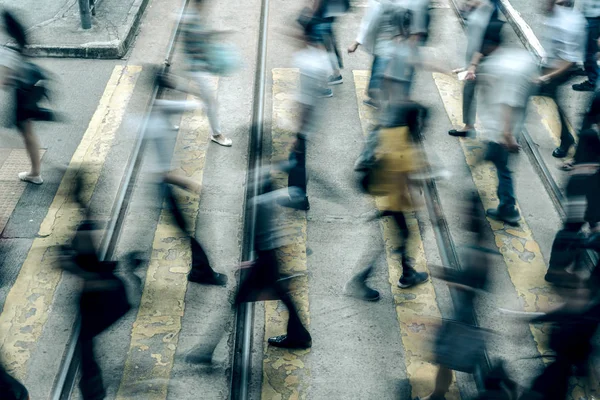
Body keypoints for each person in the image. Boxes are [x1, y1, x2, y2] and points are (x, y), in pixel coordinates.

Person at [236, 170, 312, 349]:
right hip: (271, 258)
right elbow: (296, 193)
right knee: (284, 296)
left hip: (265, 260)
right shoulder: (275, 198)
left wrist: (254, 262)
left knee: (238, 301)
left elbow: (259, 238)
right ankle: (299, 335)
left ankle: (207, 350)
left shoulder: (257, 203)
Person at [477, 24, 537, 226]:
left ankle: (508, 209)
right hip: (511, 127)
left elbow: (506, 103)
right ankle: (506, 206)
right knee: (501, 166)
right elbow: (533, 81)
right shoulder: (521, 58)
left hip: (501, 131)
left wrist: (507, 135)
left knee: (501, 168)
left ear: (488, 45)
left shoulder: (496, 65)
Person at [546, 96, 600, 287]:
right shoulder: (592, 135)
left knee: (573, 227)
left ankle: (559, 268)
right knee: (571, 228)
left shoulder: (591, 131)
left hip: (585, 189)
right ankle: (555, 270)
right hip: (582, 190)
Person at [1, 11, 54, 184]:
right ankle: (35, 172)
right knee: (27, 133)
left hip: (22, 96)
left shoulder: (6, 52)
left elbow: (4, 81)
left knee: (25, 134)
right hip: (28, 92)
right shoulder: (19, 42)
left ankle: (37, 172)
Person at [180, 0, 236, 147]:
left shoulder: (194, 16)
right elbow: (199, 37)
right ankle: (217, 134)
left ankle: (165, 113)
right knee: (211, 103)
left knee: (207, 100)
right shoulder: (190, 18)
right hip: (198, 69)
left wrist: (219, 33)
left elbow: (202, 36)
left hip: (199, 67)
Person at [537, 0, 586, 158]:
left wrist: (545, 76)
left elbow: (568, 61)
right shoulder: (554, 17)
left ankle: (568, 140)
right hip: (551, 65)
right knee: (551, 98)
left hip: (562, 69)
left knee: (528, 92)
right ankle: (567, 139)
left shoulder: (568, 24)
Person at [447, 0, 497, 138]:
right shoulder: (475, 8)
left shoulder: (490, 11)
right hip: (473, 62)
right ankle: (470, 126)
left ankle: (503, 132)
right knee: (473, 92)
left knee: (482, 93)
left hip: (483, 62)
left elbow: (487, 42)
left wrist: (473, 66)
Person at [310, 0, 350, 86]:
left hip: (325, 9)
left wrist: (312, 11)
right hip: (331, 8)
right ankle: (336, 74)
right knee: (327, 38)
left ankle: (323, 80)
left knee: (321, 40)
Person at [572, 0, 600, 92]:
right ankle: (592, 74)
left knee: (589, 52)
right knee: (586, 49)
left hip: (595, 17)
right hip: (589, 15)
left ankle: (593, 81)